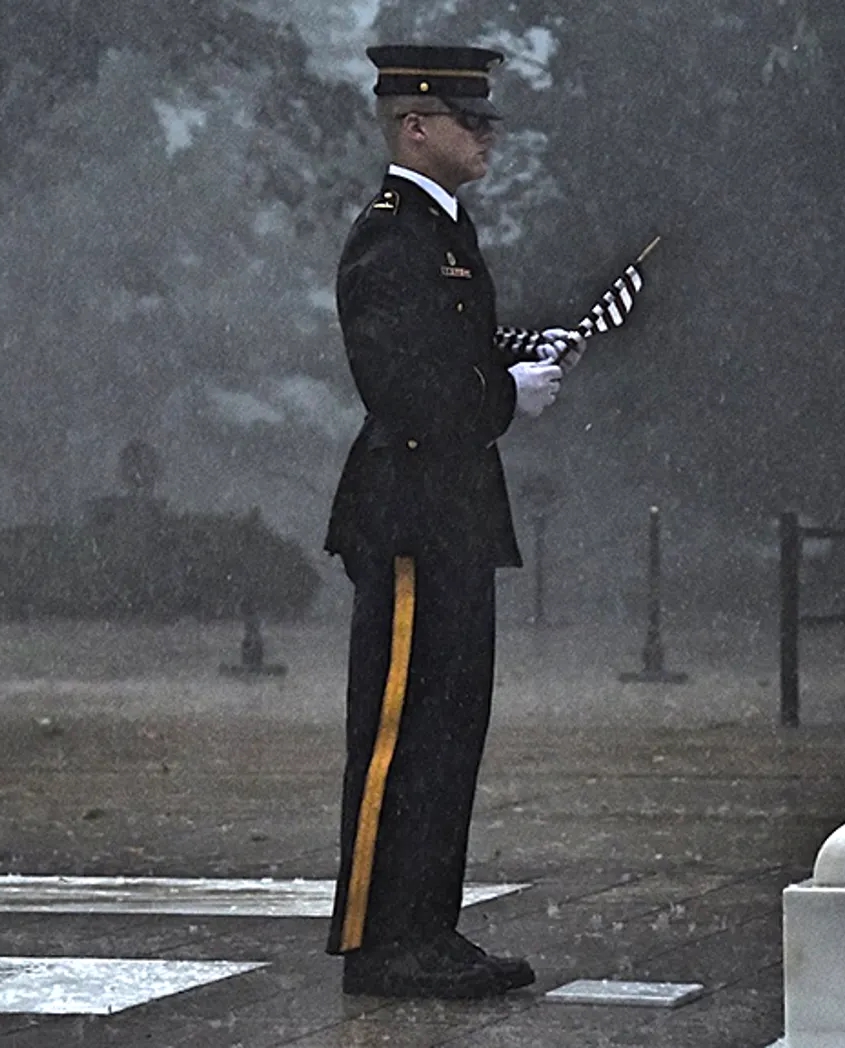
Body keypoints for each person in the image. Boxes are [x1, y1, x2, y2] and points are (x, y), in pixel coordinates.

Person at [322, 43, 584, 999]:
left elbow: (448, 351)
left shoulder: (440, 232)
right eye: (469, 122)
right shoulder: (391, 237)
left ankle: (425, 928)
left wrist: (514, 354)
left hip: (452, 518)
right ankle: (380, 939)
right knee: (400, 734)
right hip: (409, 519)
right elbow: (409, 387)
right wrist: (505, 395)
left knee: (448, 732)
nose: (486, 137)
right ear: (414, 127)